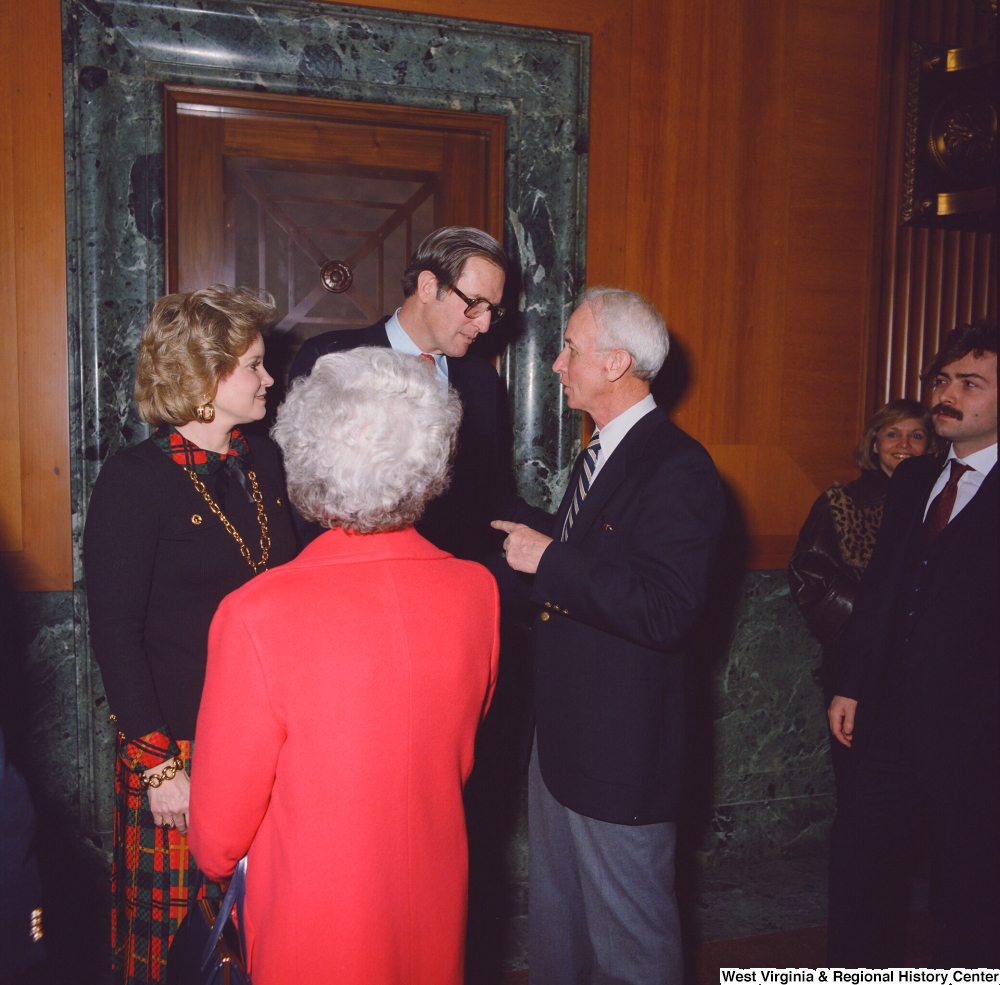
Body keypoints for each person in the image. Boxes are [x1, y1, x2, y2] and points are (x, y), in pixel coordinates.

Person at [188, 348, 500, 985]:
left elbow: (217, 839)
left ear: (305, 456)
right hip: (436, 904)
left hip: (314, 927)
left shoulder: (257, 614)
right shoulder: (477, 591)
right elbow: (456, 759)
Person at [491, 288, 724, 985]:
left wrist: (550, 558)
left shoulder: (677, 466)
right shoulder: (605, 451)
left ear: (616, 361)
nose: (557, 362)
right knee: (561, 926)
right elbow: (594, 564)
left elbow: (666, 609)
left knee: (632, 939)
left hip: (622, 750)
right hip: (561, 741)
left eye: (570, 347)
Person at [83, 286, 297, 984]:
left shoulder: (264, 461)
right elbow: (116, 631)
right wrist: (158, 766)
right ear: (206, 376)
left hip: (264, 739)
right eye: (256, 365)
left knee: (260, 925)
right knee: (175, 937)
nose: (270, 378)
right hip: (175, 749)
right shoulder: (135, 478)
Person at [826, 320, 998, 969]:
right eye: (942, 379)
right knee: (860, 865)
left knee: (972, 898)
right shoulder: (913, 479)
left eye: (971, 383)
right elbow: (880, 593)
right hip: (888, 722)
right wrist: (851, 682)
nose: (947, 394)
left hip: (979, 737)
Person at [288, 225, 515, 559]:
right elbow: (299, 492)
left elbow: (492, 496)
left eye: (492, 310)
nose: (483, 324)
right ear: (427, 286)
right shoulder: (331, 357)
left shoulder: (483, 379)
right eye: (476, 304)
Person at [788, 399, 937, 793]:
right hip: (859, 666)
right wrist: (876, 626)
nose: (903, 443)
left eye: (916, 435)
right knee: (861, 783)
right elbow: (809, 580)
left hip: (926, 667)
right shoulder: (842, 503)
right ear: (875, 443)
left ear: (931, 445)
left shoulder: (940, 504)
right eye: (893, 433)